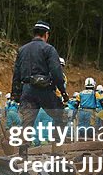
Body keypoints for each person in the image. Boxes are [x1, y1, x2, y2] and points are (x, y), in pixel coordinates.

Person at [10, 21, 67, 154]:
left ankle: (22, 157)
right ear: (46, 34)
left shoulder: (22, 50)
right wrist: (63, 92)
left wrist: (16, 94)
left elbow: (16, 74)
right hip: (45, 90)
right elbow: (56, 72)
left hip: (27, 90)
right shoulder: (49, 49)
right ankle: (56, 152)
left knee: (26, 125)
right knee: (60, 116)